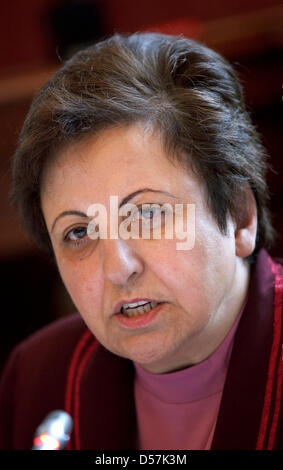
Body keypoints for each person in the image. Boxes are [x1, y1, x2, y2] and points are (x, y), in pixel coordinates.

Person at [0, 32, 282, 450]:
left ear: (240, 216)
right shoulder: (37, 377)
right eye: (78, 232)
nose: (119, 267)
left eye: (147, 215)